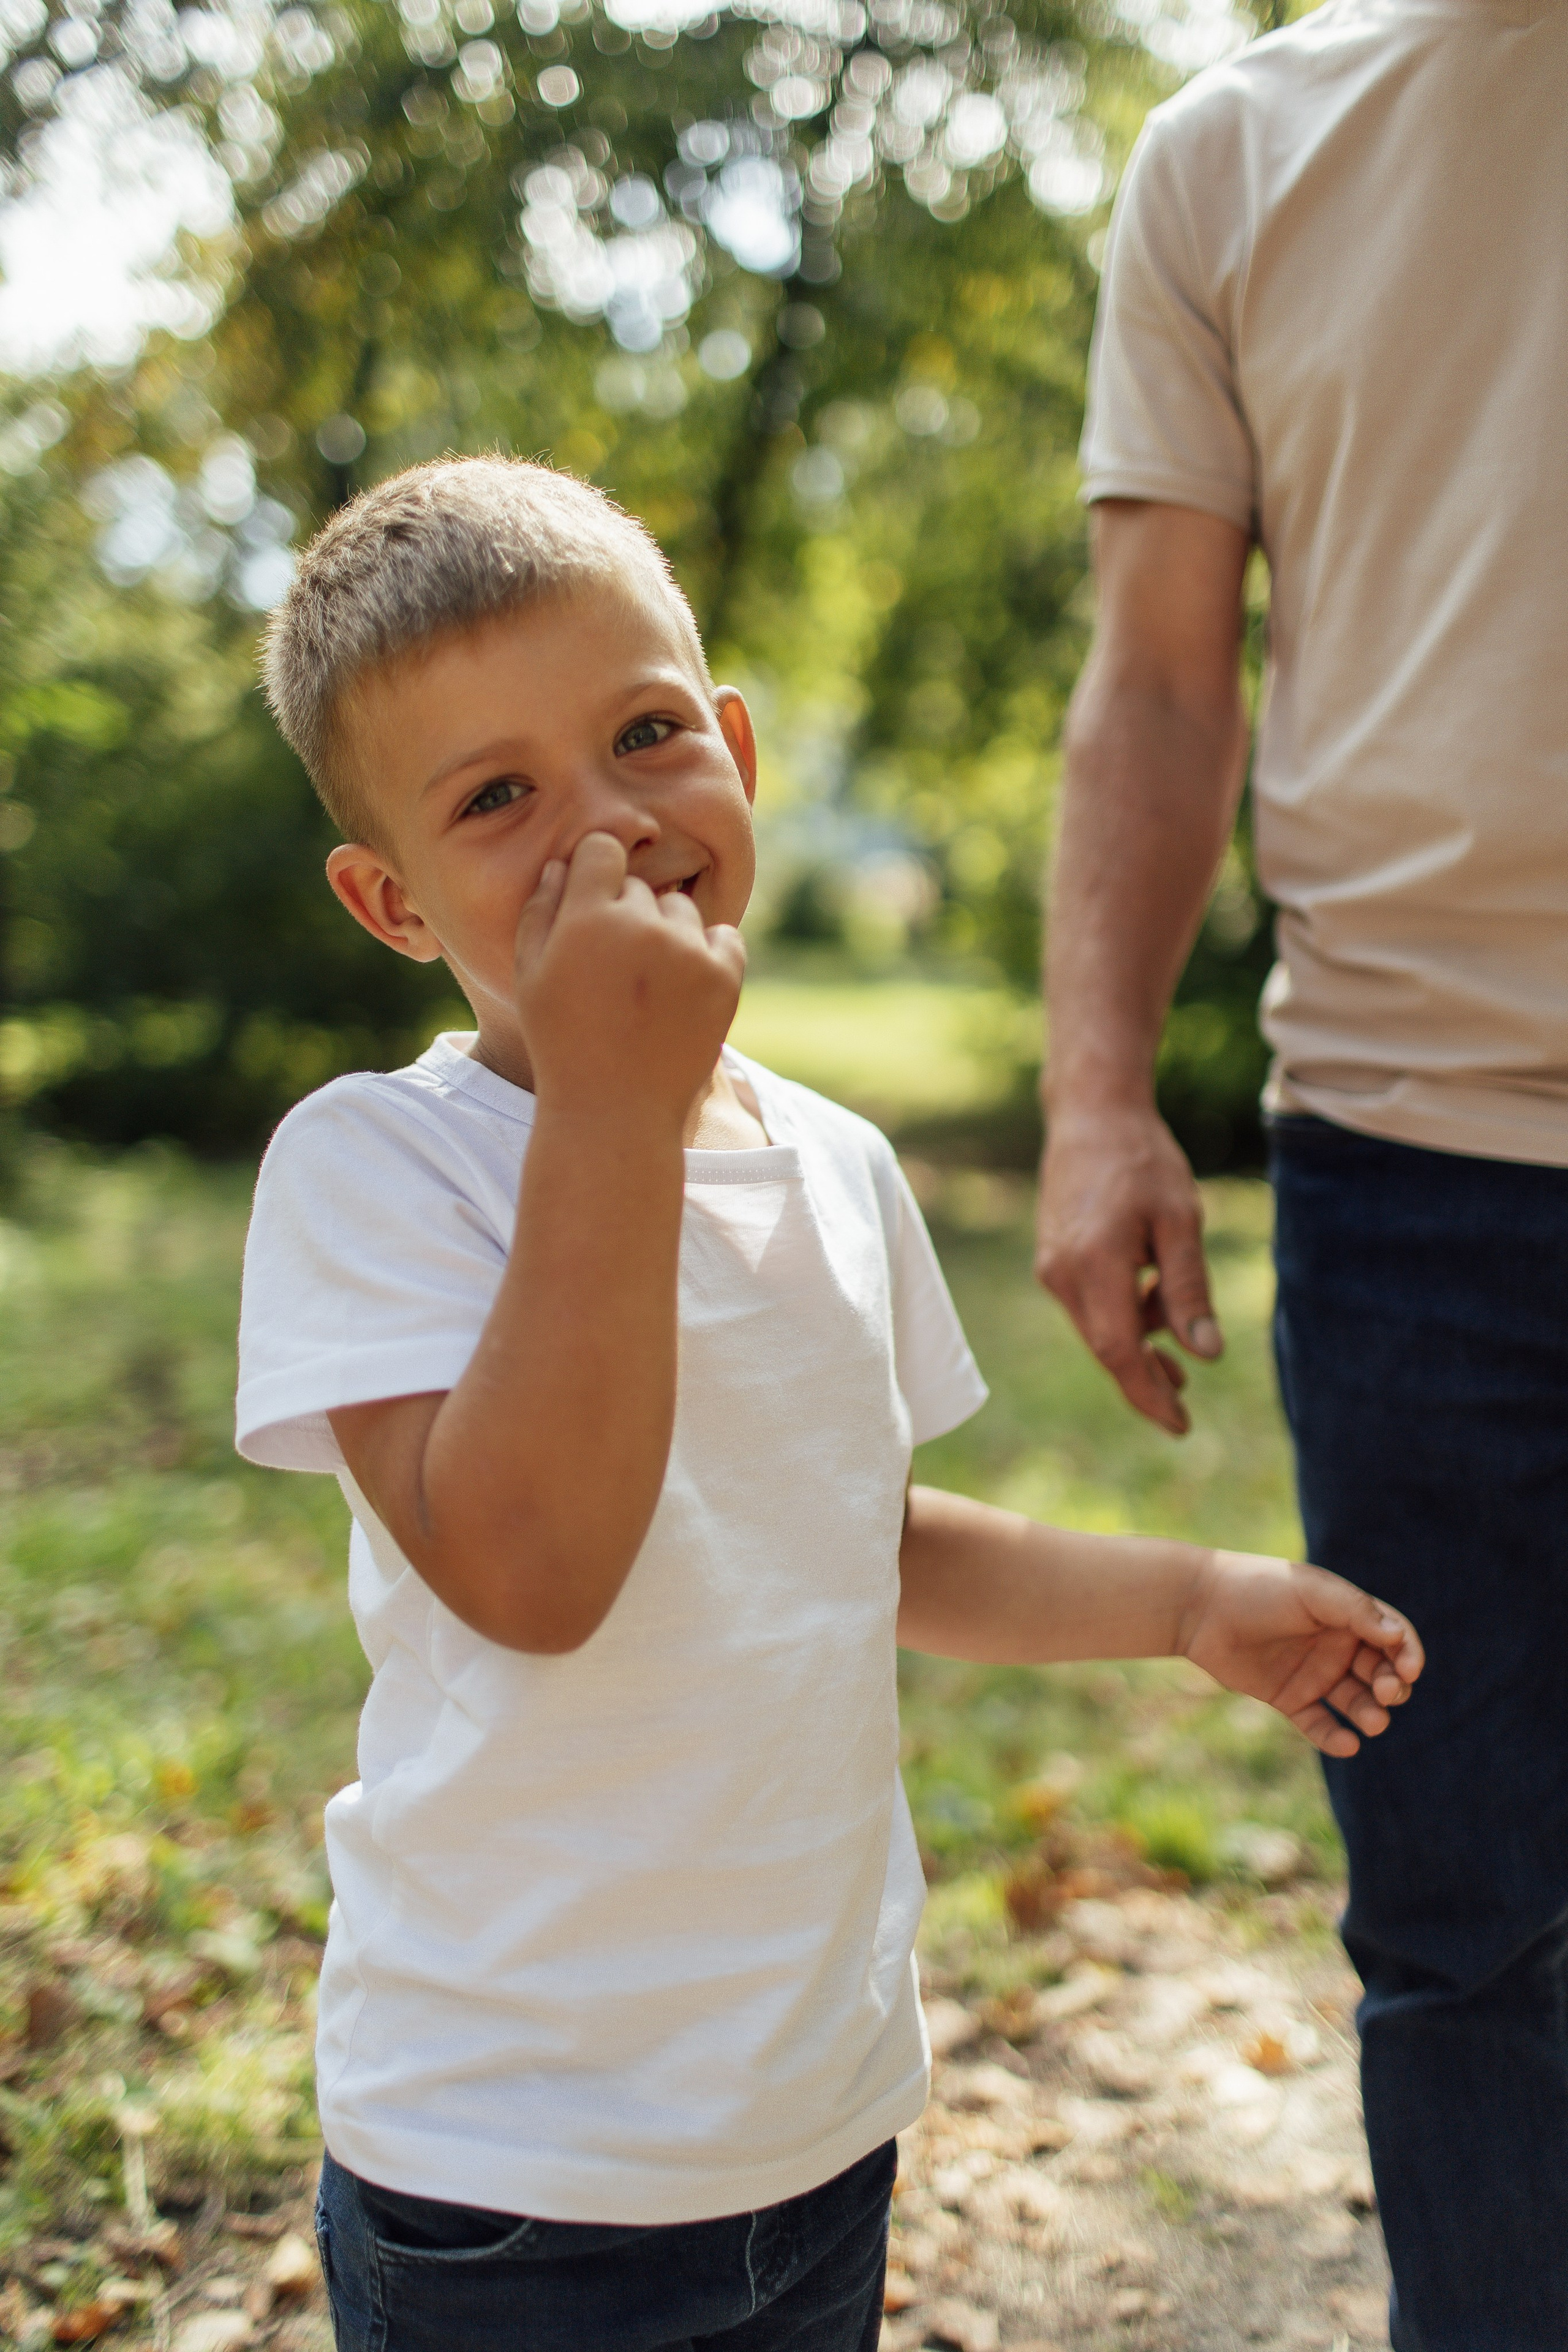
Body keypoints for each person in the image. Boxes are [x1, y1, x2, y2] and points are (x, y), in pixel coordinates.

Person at [236, 456, 1421, 2352]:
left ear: (735, 745)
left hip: (812, 2123)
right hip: (517, 2172)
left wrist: (1188, 1604)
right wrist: (616, 1106)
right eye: (494, 798)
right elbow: (532, 1568)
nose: (602, 824)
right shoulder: (380, 1170)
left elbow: (859, 1543)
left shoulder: (838, 1166)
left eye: (640, 737)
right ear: (391, 902)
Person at [1035, 3, 1568, 2344]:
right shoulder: (1236, 150)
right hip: (1411, 1154)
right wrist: (1093, 1092)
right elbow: (1162, 675)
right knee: (1465, 1930)